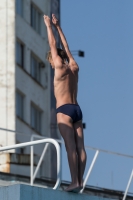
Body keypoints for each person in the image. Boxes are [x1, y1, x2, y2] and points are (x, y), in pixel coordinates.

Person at [44, 14, 87, 192]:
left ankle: (74, 182)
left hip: (64, 110)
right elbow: (65, 47)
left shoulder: (60, 68)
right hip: (77, 109)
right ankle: (80, 180)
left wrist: (48, 26)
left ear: (54, 60)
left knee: (70, 148)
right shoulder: (74, 66)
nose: (52, 64)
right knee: (80, 148)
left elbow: (53, 45)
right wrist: (58, 27)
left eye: (51, 62)